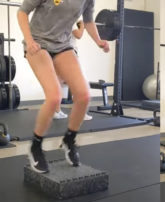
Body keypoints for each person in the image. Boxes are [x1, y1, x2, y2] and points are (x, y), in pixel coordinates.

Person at [17, 0, 109, 173]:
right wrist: (29, 41)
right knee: (54, 97)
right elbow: (22, 12)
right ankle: (35, 146)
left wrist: (98, 41)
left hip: (63, 45)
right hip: (38, 43)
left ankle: (69, 140)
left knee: (84, 96)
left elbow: (88, 21)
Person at [54, 20, 93, 121]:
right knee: (81, 83)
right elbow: (79, 35)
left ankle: (56, 111)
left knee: (58, 83)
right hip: (70, 55)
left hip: (58, 54)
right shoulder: (70, 21)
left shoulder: (57, 22)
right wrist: (82, 26)